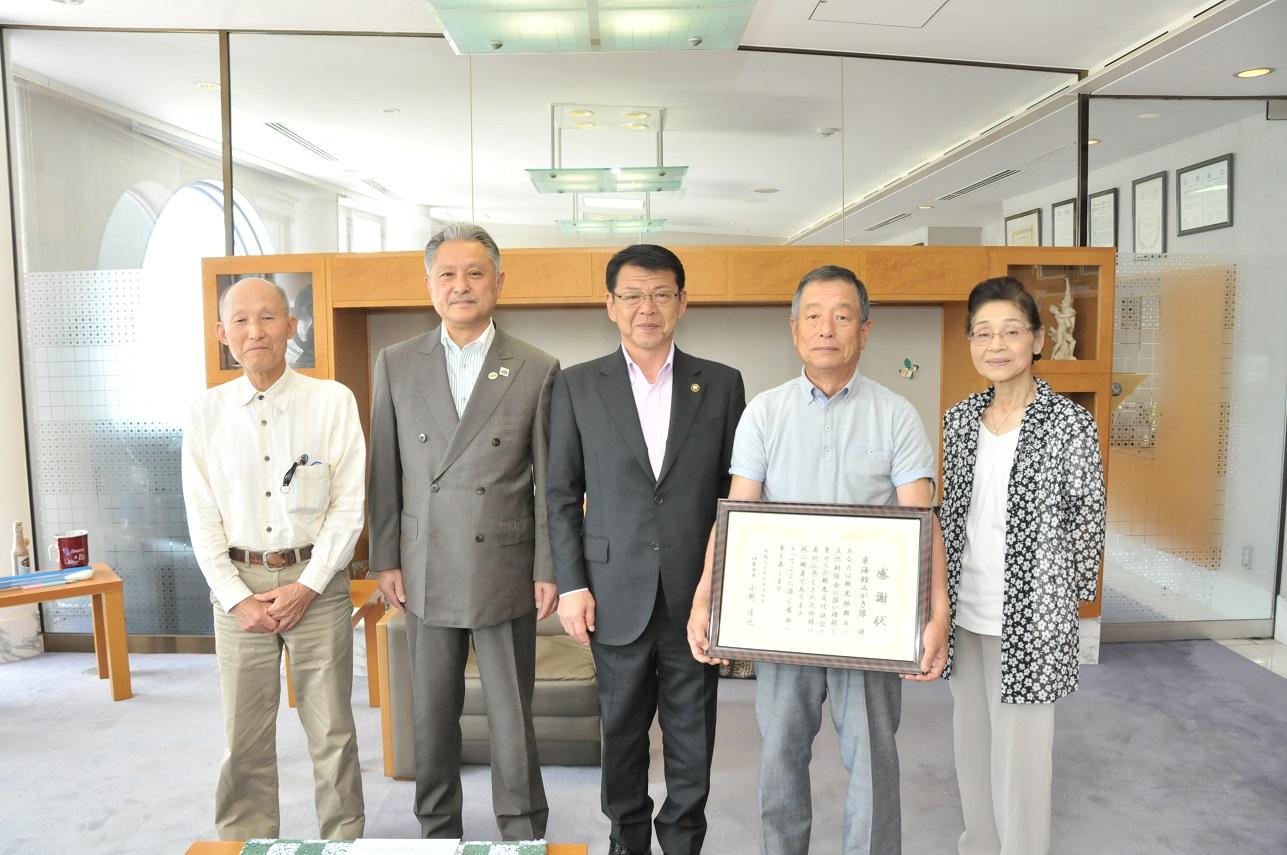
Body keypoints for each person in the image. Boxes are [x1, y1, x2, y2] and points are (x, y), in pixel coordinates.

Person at [687, 265, 950, 855]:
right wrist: (707, 597)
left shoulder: (897, 414)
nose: (826, 328)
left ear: (865, 329)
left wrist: (938, 614)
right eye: (813, 315)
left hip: (871, 621)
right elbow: (736, 512)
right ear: (794, 328)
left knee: (875, 761)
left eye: (842, 315)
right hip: (787, 616)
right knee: (779, 757)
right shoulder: (765, 414)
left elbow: (923, 523)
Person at [546, 244, 746, 855]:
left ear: (683, 303)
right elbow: (559, 492)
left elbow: (733, 496)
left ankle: (684, 841)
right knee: (622, 730)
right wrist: (573, 585)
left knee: (693, 732)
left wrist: (724, 589)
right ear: (610, 305)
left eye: (661, 294)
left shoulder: (721, 383)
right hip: (613, 591)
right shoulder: (577, 385)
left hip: (695, 593)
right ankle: (625, 840)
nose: (647, 307)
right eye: (632, 295)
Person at [367, 223, 558, 841]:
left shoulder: (536, 366)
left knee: (511, 715)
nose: (461, 286)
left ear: (499, 281)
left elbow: (551, 483)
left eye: (475, 273)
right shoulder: (395, 363)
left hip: (503, 561)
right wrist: (384, 558)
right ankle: (437, 828)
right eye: (447, 274)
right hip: (423, 561)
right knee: (432, 711)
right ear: (429, 284)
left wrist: (548, 566)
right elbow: (385, 472)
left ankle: (522, 828)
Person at [182, 277, 365, 840]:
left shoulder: (332, 400)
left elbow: (349, 504)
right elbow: (201, 516)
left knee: (331, 728)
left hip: (318, 581)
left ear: (292, 327)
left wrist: (308, 585)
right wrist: (238, 599)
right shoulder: (205, 413)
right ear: (221, 334)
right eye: (240, 320)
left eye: (268, 317)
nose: (255, 331)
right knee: (245, 733)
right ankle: (245, 840)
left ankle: (342, 842)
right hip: (238, 583)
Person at [940, 276, 1106, 855]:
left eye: (1011, 331)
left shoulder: (1068, 422)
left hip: (1033, 617)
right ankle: (978, 844)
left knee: (1024, 756)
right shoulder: (960, 420)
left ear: (1037, 339)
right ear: (970, 343)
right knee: (973, 743)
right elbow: (949, 516)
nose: (996, 344)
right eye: (982, 333)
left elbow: (1089, 517)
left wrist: (1068, 604)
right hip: (967, 608)